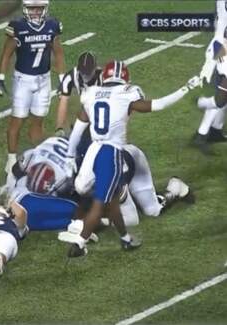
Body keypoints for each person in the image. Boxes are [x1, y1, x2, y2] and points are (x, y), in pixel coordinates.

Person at [65, 60, 201, 257]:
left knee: (151, 210)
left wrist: (70, 155)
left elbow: (77, 130)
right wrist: (186, 88)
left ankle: (174, 188)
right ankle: (120, 228)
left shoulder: (91, 93)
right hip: (103, 150)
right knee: (83, 187)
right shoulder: (126, 93)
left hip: (123, 155)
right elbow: (159, 104)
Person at [0, 0, 65, 178]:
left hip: (44, 80)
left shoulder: (52, 25)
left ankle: (38, 158)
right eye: (32, 8)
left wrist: (62, 77)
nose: (35, 12)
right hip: (23, 81)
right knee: (17, 121)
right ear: (26, 9)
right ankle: (11, 161)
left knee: (38, 122)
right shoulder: (18, 27)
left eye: (39, 8)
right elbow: (6, 53)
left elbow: (57, 52)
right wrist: (1, 77)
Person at [195, 0, 227, 153]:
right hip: (222, 47)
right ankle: (201, 135)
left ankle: (215, 130)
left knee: (223, 96)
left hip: (221, 42)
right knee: (220, 97)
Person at [55, 51, 102, 135]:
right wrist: (59, 127)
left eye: (87, 72)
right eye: (83, 72)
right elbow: (63, 101)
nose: (85, 75)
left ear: (95, 68)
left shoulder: (103, 78)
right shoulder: (71, 76)